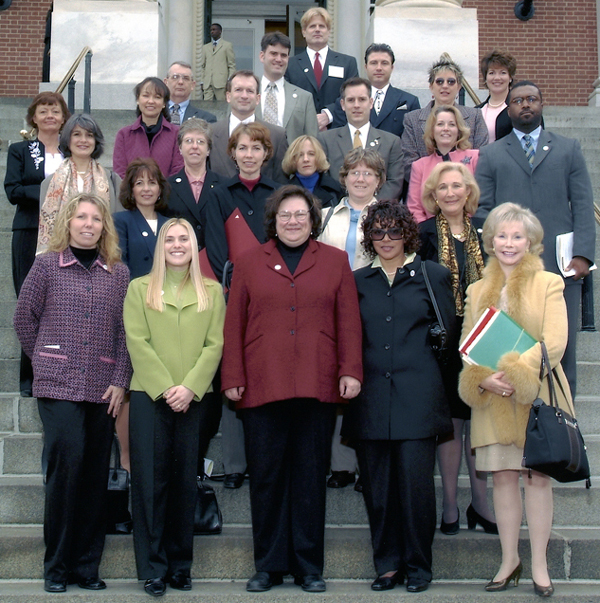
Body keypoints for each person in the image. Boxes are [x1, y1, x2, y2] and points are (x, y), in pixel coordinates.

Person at [222, 185, 362, 593]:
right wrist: (232, 376)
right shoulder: (249, 262)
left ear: (312, 220)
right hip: (262, 385)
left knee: (308, 477)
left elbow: (349, 321)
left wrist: (350, 369)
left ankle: (307, 567)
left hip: (316, 386)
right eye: (285, 215)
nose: (293, 221)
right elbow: (234, 325)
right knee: (266, 477)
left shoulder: (336, 261)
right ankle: (268, 565)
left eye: (301, 214)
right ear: (274, 220)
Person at [13, 193, 131, 594]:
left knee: (95, 475)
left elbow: (126, 332)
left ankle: (86, 566)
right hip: (58, 385)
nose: (87, 224)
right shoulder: (47, 265)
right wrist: (44, 361)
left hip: (102, 388)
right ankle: (57, 567)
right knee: (67, 468)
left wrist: (121, 379)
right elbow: (23, 317)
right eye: (80, 217)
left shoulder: (118, 273)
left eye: (95, 219)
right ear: (68, 222)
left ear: (104, 227)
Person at [459, 203, 574, 597]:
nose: (508, 243)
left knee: (537, 480)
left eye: (517, 236)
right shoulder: (475, 290)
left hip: (536, 395)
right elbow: (466, 346)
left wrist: (516, 371)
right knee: (503, 481)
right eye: (501, 236)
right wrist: (484, 378)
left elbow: (555, 342)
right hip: (492, 399)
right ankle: (509, 561)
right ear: (490, 241)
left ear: (531, 242)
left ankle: (540, 566)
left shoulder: (549, 283)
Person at [343, 200, 455, 593]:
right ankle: (387, 565)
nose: (386, 238)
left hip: (419, 397)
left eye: (394, 230)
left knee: (417, 489)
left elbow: (449, 336)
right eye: (378, 231)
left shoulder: (432, 275)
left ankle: (419, 566)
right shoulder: (356, 281)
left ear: (407, 233)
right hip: (370, 397)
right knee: (378, 490)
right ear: (369, 237)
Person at [124, 218, 225, 597]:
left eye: (184, 239)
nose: (178, 245)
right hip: (151, 397)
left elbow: (214, 345)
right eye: (171, 239)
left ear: (193, 245)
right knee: (151, 484)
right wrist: (167, 387)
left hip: (194, 399)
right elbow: (137, 340)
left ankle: (181, 566)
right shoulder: (139, 289)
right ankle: (153, 568)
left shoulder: (212, 292)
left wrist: (190, 387)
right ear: (161, 246)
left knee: (185, 483)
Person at [475, 81, 595, 397]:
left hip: (560, 267)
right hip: (509, 269)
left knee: (563, 352)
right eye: (518, 101)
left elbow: (583, 204)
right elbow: (482, 210)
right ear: (509, 108)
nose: (525, 105)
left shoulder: (568, 148)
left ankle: (565, 430)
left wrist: (582, 254)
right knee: (515, 348)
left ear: (541, 105)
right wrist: (498, 252)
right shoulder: (490, 154)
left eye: (532, 99)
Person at [418, 162, 495, 536]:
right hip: (443, 343)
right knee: (451, 426)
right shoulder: (423, 234)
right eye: (442, 188)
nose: (450, 193)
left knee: (479, 424)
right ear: (433, 195)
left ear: (469, 192)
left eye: (457, 186)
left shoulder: (487, 234)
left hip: (482, 342)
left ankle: (480, 503)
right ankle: (449, 504)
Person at [205, 122, 281, 489]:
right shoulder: (218, 193)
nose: (249, 154)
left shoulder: (280, 194)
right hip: (232, 296)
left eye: (256, 148)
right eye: (242, 148)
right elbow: (217, 245)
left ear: (266, 154)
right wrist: (230, 285)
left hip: (273, 299)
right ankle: (235, 464)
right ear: (232, 153)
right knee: (233, 374)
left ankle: (267, 459)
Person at [319, 147, 386, 490]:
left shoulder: (389, 217)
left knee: (369, 387)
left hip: (373, 309)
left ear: (379, 181)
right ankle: (341, 465)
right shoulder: (326, 216)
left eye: (368, 174)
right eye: (354, 173)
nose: (361, 179)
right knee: (336, 386)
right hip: (330, 310)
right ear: (343, 178)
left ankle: (367, 465)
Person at [4, 91, 70, 396]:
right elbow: (14, 190)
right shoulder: (21, 150)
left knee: (61, 305)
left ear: (63, 118)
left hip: (67, 236)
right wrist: (52, 193)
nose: (49, 116)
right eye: (43, 111)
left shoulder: (72, 152)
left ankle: (60, 372)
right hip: (30, 233)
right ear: (34, 117)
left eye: (54, 111)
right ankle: (29, 377)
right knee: (30, 304)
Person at [37, 113, 121, 254]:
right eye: (76, 134)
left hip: (102, 258)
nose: (83, 140)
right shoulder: (49, 183)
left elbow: (118, 225)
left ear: (96, 141)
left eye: (89, 135)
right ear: (67, 140)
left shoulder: (112, 180)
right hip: (60, 260)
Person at [318, 77, 404, 200]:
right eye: (351, 100)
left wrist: (372, 208)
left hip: (378, 213)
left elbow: (394, 183)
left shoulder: (391, 142)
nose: (356, 105)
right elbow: (324, 180)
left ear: (371, 103)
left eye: (362, 99)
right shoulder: (325, 140)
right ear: (343, 104)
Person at [401, 56, 488, 178]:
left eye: (451, 81)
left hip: (466, 190)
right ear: (431, 86)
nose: (445, 86)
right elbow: (409, 164)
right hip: (425, 190)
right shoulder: (412, 119)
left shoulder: (475, 117)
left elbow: (482, 160)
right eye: (439, 81)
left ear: (458, 87)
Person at [284, 6, 359, 130]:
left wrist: (328, 114)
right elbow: (287, 97)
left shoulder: (347, 62)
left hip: (338, 131)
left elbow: (353, 93)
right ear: (303, 31)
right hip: (301, 132)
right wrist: (310, 119)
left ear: (329, 31)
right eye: (312, 26)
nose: (317, 30)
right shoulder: (290, 64)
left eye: (322, 26)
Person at [209, 70, 288, 183]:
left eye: (250, 91)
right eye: (238, 90)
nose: (244, 96)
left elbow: (281, 183)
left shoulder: (277, 135)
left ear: (258, 98)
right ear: (228, 96)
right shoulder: (210, 133)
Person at [407, 105, 479, 223]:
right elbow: (414, 208)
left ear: (459, 130)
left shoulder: (475, 157)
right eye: (440, 124)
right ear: (432, 130)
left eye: (451, 124)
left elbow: (483, 199)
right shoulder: (419, 166)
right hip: (431, 234)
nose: (446, 128)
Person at [332, 43, 420, 137]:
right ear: (366, 67)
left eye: (384, 63)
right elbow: (339, 138)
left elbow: (415, 139)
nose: (379, 68)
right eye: (374, 63)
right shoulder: (347, 101)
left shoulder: (410, 101)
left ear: (392, 67)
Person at [113, 77, 184, 179]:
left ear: (164, 103)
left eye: (157, 97)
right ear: (138, 99)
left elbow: (178, 171)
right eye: (146, 96)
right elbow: (120, 174)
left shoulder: (176, 134)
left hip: (167, 193)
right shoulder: (124, 135)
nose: (151, 101)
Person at [167, 118, 222, 248]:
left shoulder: (223, 186)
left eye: (201, 142)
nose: (195, 146)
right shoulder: (167, 187)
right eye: (189, 141)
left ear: (208, 150)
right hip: (179, 256)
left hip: (213, 260)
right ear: (180, 148)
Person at [256, 32, 319, 142]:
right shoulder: (246, 93)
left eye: (283, 55)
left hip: (291, 158)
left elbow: (312, 140)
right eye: (274, 54)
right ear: (262, 56)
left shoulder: (304, 98)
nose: (279, 59)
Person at [113, 158, 170, 279]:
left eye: (152, 183)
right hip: (134, 293)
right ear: (132, 191)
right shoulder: (120, 221)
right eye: (139, 183)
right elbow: (119, 264)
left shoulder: (169, 224)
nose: (146, 189)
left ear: (159, 190)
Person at [281, 135, 341, 208]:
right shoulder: (283, 193)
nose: (306, 159)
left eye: (311, 154)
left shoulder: (335, 189)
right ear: (293, 159)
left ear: (319, 157)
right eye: (300, 155)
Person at [475, 50, 517, 143]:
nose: (497, 78)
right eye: (491, 73)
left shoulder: (518, 108)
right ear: (485, 78)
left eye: (503, 73)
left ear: (510, 78)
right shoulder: (476, 111)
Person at [164, 61, 216, 125]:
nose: (180, 82)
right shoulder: (155, 113)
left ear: (192, 85)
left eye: (186, 78)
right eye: (175, 77)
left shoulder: (206, 119)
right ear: (166, 82)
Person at [200, 23, 236, 101]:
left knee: (222, 104)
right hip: (208, 82)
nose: (212, 32)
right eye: (211, 30)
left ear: (220, 31)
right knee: (207, 105)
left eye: (214, 30)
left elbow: (231, 65)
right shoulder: (205, 47)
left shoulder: (227, 45)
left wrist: (229, 81)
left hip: (221, 82)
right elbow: (203, 66)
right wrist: (202, 81)